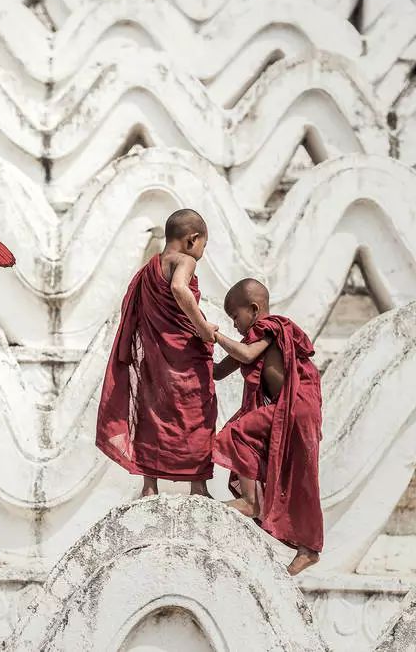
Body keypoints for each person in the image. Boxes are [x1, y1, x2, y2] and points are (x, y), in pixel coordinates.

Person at [96, 209, 218, 497]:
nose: (201, 252)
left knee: (151, 415)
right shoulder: (185, 260)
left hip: (154, 360)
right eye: (203, 245)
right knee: (198, 415)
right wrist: (202, 327)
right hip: (185, 359)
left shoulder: (151, 267)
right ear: (193, 239)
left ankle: (149, 486)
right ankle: (197, 486)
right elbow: (178, 288)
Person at [212, 278, 323, 575]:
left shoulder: (268, 328)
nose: (234, 325)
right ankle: (308, 549)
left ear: (254, 309)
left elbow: (245, 355)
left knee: (236, 434)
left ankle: (250, 502)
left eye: (235, 317)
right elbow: (220, 371)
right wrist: (191, 354)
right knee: (298, 477)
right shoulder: (253, 339)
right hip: (288, 409)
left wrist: (216, 337)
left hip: (296, 405)